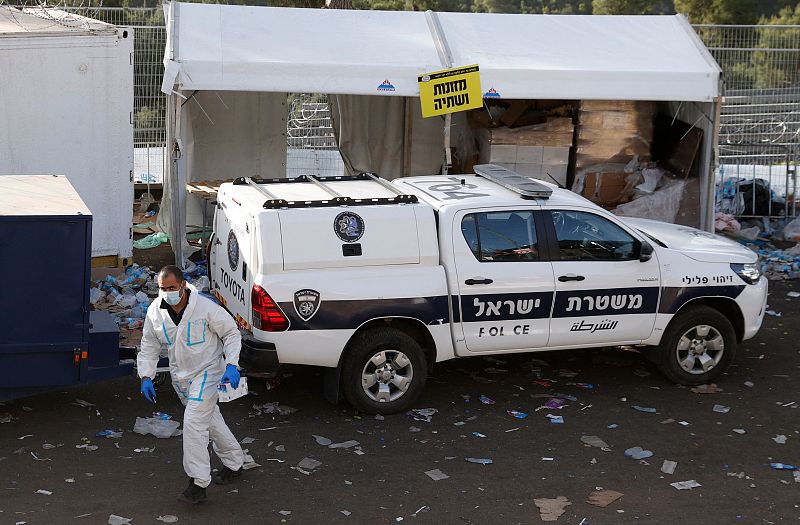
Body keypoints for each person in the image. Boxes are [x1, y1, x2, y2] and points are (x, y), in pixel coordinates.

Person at [137, 264, 245, 504]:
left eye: (172, 287)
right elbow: (149, 344)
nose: (167, 293)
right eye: (162, 289)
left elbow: (231, 333)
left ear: (183, 285)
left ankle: (198, 483)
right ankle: (235, 462)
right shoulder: (156, 311)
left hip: (208, 372)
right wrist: (146, 375)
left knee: (194, 423)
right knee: (211, 420)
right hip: (182, 378)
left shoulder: (205, 308)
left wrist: (232, 364)